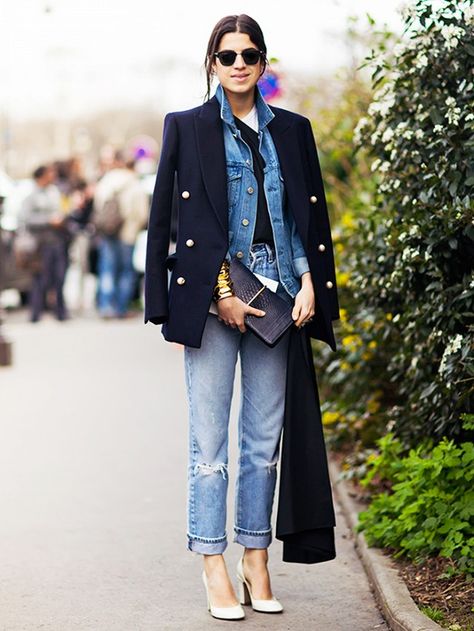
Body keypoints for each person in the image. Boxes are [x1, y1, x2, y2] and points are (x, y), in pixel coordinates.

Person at [145, 14, 340, 621]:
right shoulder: (188, 127)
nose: (238, 63)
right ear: (212, 61)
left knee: (262, 445)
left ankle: (257, 560)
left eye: (248, 53)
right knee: (211, 446)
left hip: (280, 295)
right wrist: (217, 294)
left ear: (263, 61)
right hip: (214, 297)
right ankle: (213, 566)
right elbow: (173, 223)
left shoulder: (294, 131)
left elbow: (303, 217)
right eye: (226, 54)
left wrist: (309, 282)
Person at [93, 153, 149, 318]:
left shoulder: (107, 181)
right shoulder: (134, 183)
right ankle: (120, 308)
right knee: (125, 271)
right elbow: (141, 212)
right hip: (128, 233)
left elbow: (98, 206)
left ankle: (105, 306)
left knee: (107, 269)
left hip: (108, 232)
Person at [19, 164, 69, 322]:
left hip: (57, 241)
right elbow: (26, 219)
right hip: (41, 244)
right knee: (40, 279)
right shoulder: (31, 196)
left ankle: (60, 312)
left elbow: (62, 209)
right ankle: (36, 313)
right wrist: (48, 221)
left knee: (60, 278)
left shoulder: (54, 192)